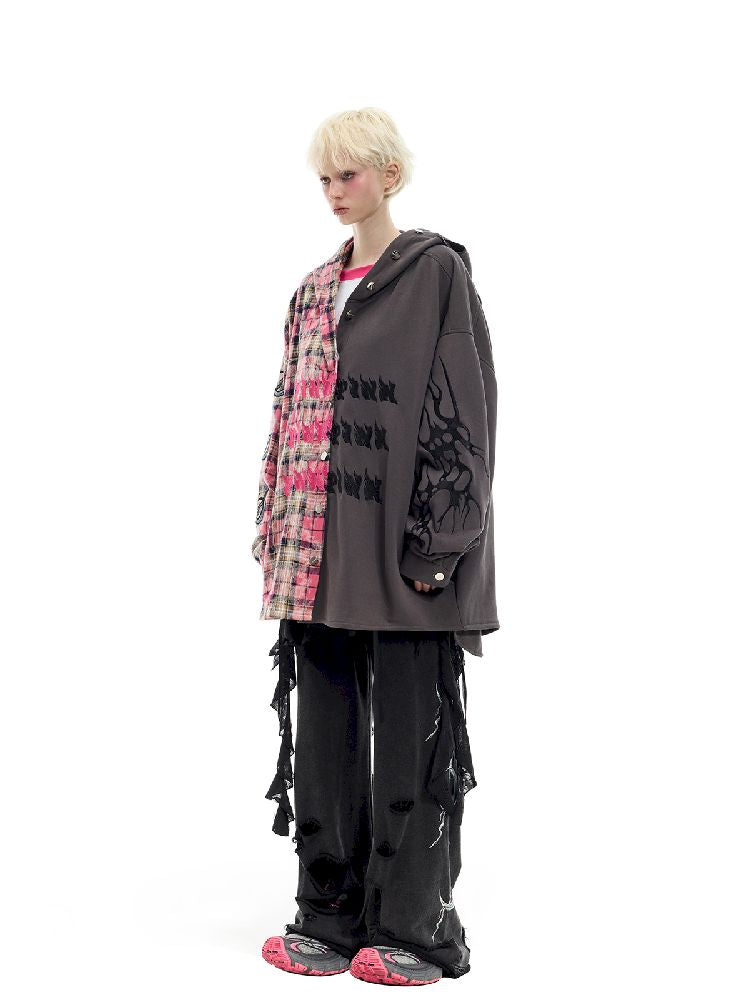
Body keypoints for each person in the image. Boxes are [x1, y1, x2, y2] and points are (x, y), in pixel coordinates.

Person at [253, 108, 499, 985]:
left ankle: (417, 930)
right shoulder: (313, 291)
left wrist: (441, 543)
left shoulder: (434, 274)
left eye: (348, 175)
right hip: (316, 555)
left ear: (389, 175)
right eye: (324, 178)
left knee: (410, 741)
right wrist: (272, 526)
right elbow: (286, 412)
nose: (333, 191)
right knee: (321, 741)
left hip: (407, 555)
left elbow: (464, 410)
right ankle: (328, 914)